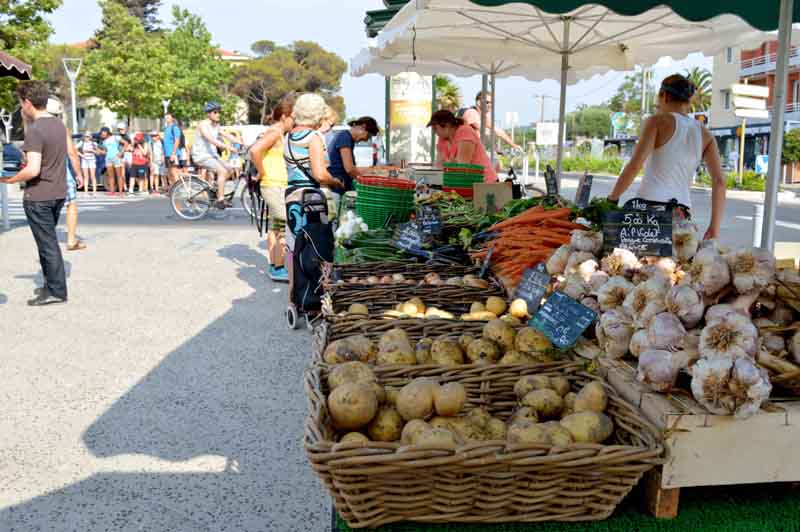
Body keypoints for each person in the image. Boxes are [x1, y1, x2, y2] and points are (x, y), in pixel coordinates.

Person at [607, 74, 726, 240]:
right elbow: (719, 182)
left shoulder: (656, 122)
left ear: (666, 96)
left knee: (639, 264)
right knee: (673, 265)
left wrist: (611, 200)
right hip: (682, 215)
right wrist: (714, 228)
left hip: (648, 211)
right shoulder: (705, 134)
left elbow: (635, 166)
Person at [0, 81, 82, 305]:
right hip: (57, 192)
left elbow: (33, 169)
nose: (20, 107)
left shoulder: (36, 130)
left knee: (47, 244)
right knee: (48, 242)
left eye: (20, 102)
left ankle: (56, 291)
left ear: (27, 102)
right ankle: (49, 286)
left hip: (39, 195)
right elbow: (63, 155)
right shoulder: (58, 125)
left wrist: (9, 179)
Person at [284, 93, 343, 252]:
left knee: (294, 246)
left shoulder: (289, 136)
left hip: (292, 194)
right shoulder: (313, 137)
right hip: (310, 198)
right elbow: (320, 175)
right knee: (313, 246)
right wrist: (335, 181)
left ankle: (295, 277)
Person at [250, 98, 294, 282]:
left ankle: (275, 265)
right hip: (273, 184)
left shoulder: (278, 132)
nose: (295, 122)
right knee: (283, 228)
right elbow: (255, 151)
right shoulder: (275, 132)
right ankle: (278, 267)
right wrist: (261, 172)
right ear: (284, 117)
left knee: (276, 228)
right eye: (293, 118)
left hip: (276, 185)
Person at [191, 101, 240, 209]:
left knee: (230, 170)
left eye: (219, 112)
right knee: (222, 171)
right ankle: (220, 199)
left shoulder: (216, 125)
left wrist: (241, 142)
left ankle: (216, 189)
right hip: (201, 155)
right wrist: (228, 147)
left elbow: (226, 134)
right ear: (208, 114)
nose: (218, 114)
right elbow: (211, 139)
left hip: (212, 155)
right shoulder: (203, 125)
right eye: (215, 112)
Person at [427, 109, 498, 183]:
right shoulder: (442, 139)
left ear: (447, 125)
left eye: (435, 128)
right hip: (466, 183)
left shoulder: (465, 132)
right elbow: (439, 166)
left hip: (486, 183)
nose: (434, 132)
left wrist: (449, 165)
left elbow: (462, 167)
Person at [327, 116, 379, 194]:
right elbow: (349, 169)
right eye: (368, 136)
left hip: (343, 184)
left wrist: (372, 171)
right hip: (338, 186)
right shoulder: (344, 137)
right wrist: (364, 183)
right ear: (363, 127)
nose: (366, 140)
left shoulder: (348, 139)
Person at [99, 126, 124, 196]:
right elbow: (105, 151)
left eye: (103, 132)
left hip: (116, 158)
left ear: (107, 132)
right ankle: (112, 191)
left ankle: (121, 192)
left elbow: (126, 143)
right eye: (101, 133)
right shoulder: (104, 141)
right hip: (108, 158)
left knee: (119, 175)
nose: (102, 134)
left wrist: (121, 152)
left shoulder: (115, 137)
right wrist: (100, 151)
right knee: (110, 176)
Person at [162, 112, 182, 185]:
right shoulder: (166, 129)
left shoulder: (175, 128)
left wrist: (173, 154)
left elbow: (177, 141)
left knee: (174, 172)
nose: (166, 119)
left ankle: (178, 189)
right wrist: (164, 154)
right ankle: (173, 189)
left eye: (168, 117)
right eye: (165, 118)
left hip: (173, 154)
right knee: (169, 173)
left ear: (172, 118)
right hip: (167, 154)